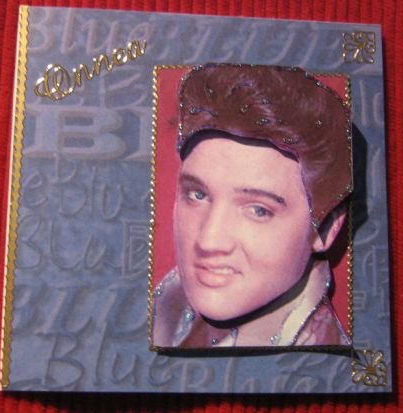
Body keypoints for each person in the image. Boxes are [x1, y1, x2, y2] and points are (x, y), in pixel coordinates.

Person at [151, 63, 353, 348]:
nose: (209, 241)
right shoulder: (162, 310)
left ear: (326, 228)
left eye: (258, 210)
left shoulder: (319, 362)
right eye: (198, 195)